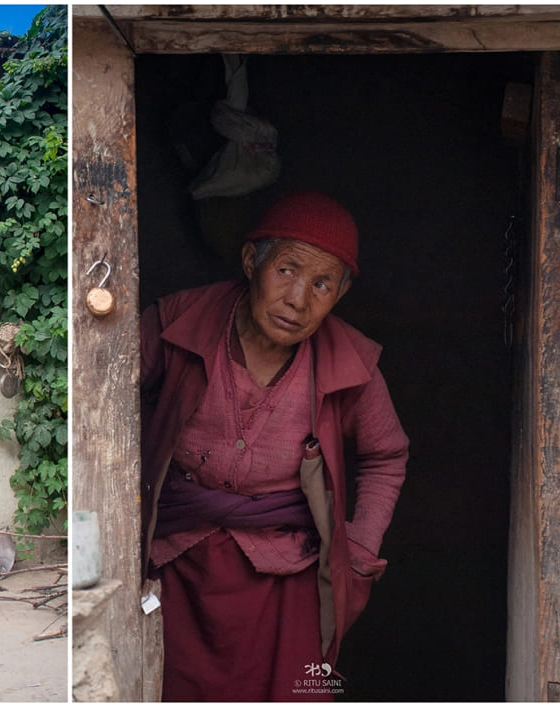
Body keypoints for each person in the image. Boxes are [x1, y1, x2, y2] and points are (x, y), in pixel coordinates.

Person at [140, 191, 409, 701]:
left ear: (339, 296)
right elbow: (105, 392)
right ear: (251, 262)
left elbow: (386, 455)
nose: (298, 299)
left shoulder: (350, 364)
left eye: (322, 283)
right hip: (178, 562)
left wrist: (360, 548)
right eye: (286, 270)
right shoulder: (178, 321)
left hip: (290, 574)